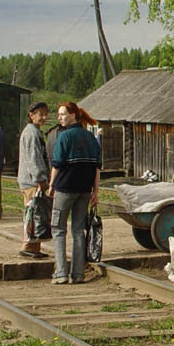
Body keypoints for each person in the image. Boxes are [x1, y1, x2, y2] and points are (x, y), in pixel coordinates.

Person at [48, 101, 101, 284]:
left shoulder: (64, 137)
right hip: (84, 190)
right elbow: (96, 168)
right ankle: (78, 274)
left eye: (62, 114)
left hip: (65, 188)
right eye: (59, 114)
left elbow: (57, 164)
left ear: (73, 115)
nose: (60, 118)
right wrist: (96, 191)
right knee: (79, 231)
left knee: (58, 229)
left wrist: (51, 184)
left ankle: (61, 273)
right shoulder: (90, 137)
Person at [17, 101, 51, 257]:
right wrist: (41, 179)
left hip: (30, 180)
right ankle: (28, 246)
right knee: (33, 213)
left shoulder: (34, 131)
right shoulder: (32, 133)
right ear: (31, 115)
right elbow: (34, 158)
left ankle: (34, 247)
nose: (43, 117)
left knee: (35, 213)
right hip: (32, 182)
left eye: (45, 114)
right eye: (40, 114)